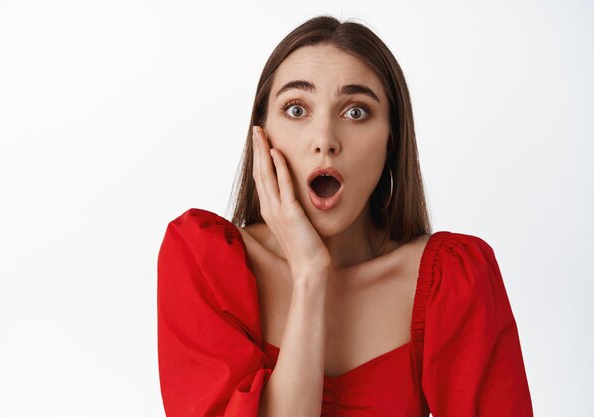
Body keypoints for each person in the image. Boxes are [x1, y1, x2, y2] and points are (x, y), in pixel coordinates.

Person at [157, 15, 534, 417]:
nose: (325, 140)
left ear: (392, 141)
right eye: (297, 108)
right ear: (262, 136)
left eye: (356, 112)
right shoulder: (201, 260)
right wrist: (309, 274)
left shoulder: (456, 278)